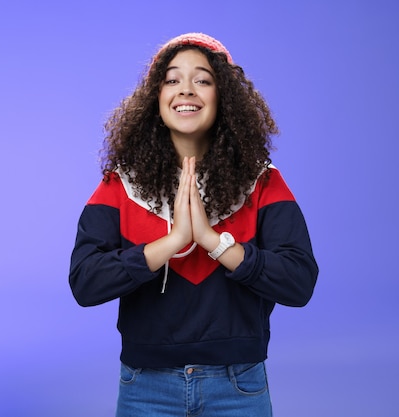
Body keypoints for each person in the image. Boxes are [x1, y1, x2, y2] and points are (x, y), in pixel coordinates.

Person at [69, 32, 318, 416]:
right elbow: (85, 282)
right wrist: (173, 242)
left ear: (225, 98)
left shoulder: (264, 182)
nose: (186, 90)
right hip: (145, 386)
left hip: (238, 385)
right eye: (172, 80)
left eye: (203, 80)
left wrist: (214, 242)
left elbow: (298, 283)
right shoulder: (118, 186)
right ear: (156, 98)